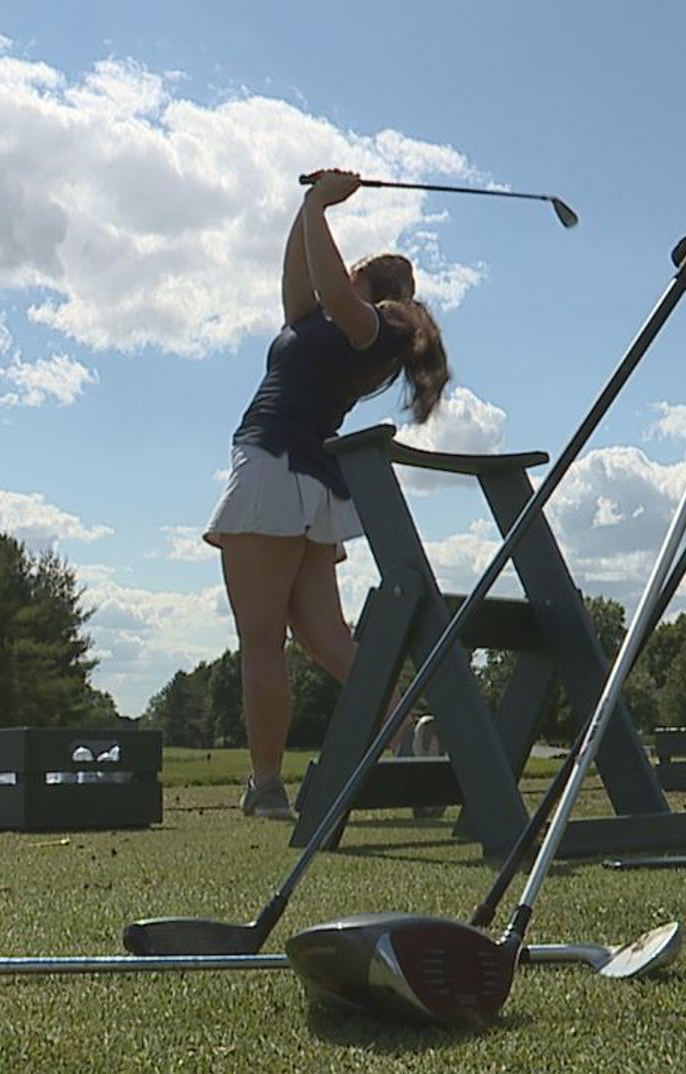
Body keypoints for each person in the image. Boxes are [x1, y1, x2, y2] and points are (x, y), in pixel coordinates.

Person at [204, 168, 450, 820]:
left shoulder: (369, 327)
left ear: (372, 286)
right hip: (306, 483)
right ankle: (408, 734)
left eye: (354, 274)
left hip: (274, 468)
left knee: (260, 640)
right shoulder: (323, 326)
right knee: (325, 640)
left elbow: (332, 287)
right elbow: (300, 283)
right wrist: (305, 208)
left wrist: (320, 206)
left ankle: (265, 786)